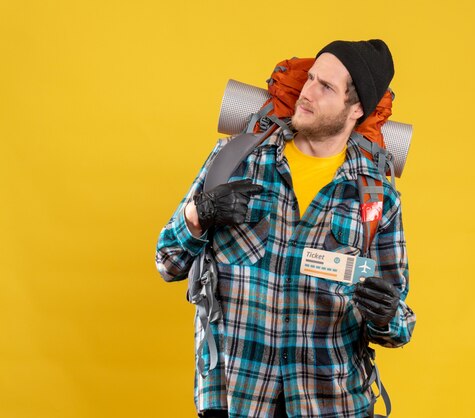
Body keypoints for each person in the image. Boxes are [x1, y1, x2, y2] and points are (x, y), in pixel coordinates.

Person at [156, 39, 416, 418]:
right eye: (309, 78)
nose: (306, 92)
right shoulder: (236, 160)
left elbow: (398, 328)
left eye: (325, 86)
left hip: (333, 405)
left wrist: (387, 313)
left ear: (356, 108)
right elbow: (168, 262)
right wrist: (200, 212)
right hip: (235, 400)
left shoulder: (377, 200)